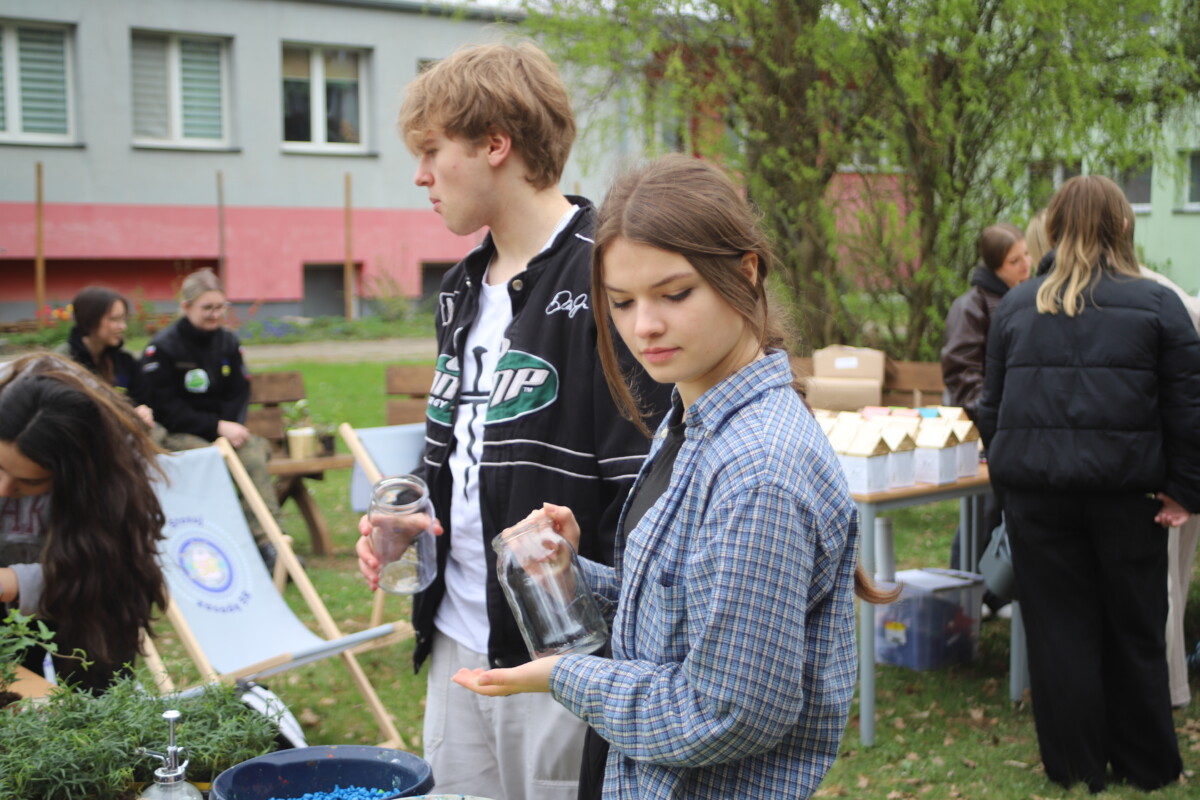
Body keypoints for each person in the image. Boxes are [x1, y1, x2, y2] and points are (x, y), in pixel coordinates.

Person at [447, 155, 889, 799]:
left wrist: (564, 676)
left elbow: (725, 712)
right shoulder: (690, 417)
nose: (643, 326)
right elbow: (679, 609)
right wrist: (575, 576)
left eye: (674, 294)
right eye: (621, 302)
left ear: (745, 272)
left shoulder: (759, 470)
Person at [356, 41, 669, 799]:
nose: (420, 176)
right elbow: (465, 452)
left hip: (565, 654)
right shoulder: (460, 289)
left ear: (495, 144)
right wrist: (409, 522)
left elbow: (651, 493)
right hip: (456, 642)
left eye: (432, 151)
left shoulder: (610, 274)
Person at [976, 174, 1200, 793]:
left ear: (1053, 227)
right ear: (1123, 225)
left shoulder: (1018, 305)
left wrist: (1010, 480)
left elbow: (991, 408)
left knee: (1059, 633)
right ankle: (1145, 766)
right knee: (1135, 629)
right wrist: (1184, 489)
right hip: (1126, 497)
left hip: (1041, 500)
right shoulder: (1159, 304)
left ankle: (1075, 767)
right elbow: (1189, 409)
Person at [0, 354, 167, 694]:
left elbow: (111, 572)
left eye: (29, 482)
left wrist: (16, 582)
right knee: (12, 697)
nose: (4, 489)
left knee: (96, 704)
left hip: (89, 605)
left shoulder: (112, 460)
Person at [139, 268, 282, 566]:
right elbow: (164, 407)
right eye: (207, 308)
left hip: (223, 432)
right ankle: (222, 545)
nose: (215, 315)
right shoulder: (163, 348)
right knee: (211, 462)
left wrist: (228, 427)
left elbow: (238, 392)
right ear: (186, 306)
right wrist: (215, 427)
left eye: (220, 307)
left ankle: (271, 544)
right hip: (179, 434)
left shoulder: (228, 343)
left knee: (253, 456)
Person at [940, 223, 1030, 610]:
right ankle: (963, 599)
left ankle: (992, 594)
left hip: (1009, 430)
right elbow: (962, 374)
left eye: (1026, 255)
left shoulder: (1020, 299)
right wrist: (992, 418)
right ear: (995, 265)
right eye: (1014, 260)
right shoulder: (971, 306)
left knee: (1001, 511)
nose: (1025, 265)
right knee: (981, 512)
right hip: (981, 432)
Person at [56, 285, 157, 433]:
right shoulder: (62, 364)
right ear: (90, 320)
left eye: (124, 319)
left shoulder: (125, 360)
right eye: (114, 319)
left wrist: (142, 411)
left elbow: (141, 398)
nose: (123, 327)